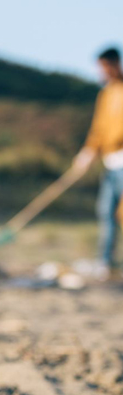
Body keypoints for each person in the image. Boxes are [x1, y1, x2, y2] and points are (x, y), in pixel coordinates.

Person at [72, 47, 123, 280]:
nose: (102, 72)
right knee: (106, 212)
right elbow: (99, 129)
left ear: (115, 64)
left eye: (105, 67)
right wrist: (88, 151)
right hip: (110, 162)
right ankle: (105, 262)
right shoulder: (106, 94)